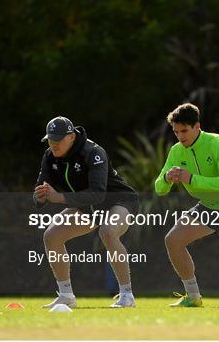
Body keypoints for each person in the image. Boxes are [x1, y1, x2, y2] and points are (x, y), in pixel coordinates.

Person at [155, 103, 219, 308]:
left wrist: (192, 179)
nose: (180, 136)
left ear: (197, 127)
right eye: (176, 132)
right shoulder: (176, 151)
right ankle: (193, 296)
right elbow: (159, 189)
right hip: (210, 206)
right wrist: (166, 177)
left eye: (184, 131)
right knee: (173, 240)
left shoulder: (217, 142)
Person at [34, 116, 140, 308]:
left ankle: (127, 296)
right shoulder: (49, 156)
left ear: (72, 137)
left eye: (58, 140)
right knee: (51, 236)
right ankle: (66, 296)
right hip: (88, 208)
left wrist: (59, 197)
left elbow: (98, 194)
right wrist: (40, 196)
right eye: (50, 140)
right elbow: (41, 188)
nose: (54, 144)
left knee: (107, 232)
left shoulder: (93, 152)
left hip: (120, 201)